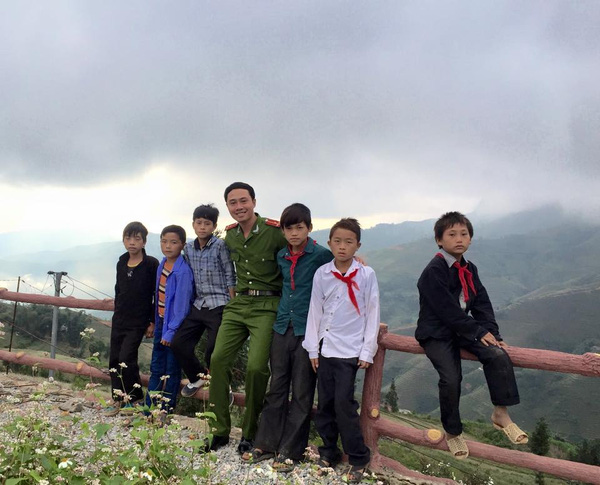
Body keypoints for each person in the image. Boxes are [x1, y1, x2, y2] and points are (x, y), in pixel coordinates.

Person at [415, 211, 527, 460]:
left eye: (464, 234)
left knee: (497, 354)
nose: (459, 239)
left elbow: (482, 303)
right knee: (451, 379)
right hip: (436, 333)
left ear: (470, 238)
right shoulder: (434, 270)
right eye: (452, 234)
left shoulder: (469, 268)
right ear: (439, 240)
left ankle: (500, 413)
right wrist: (477, 330)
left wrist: (493, 334)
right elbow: (445, 309)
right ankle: (453, 433)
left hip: (462, 329)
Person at [242, 203, 333, 471]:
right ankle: (266, 443)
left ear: (309, 228)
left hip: (308, 330)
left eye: (299, 227)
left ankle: (291, 451)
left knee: (302, 391)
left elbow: (341, 269)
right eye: (289, 228)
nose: (294, 233)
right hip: (282, 326)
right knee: (277, 386)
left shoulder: (320, 255)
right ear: (282, 231)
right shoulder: (281, 255)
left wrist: (358, 261)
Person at [206, 182, 287, 453]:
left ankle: (250, 433)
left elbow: (303, 247)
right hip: (239, 303)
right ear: (227, 206)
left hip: (268, 304)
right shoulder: (230, 235)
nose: (239, 207)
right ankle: (219, 430)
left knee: (256, 367)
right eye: (233, 202)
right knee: (218, 360)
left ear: (254, 201)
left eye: (244, 201)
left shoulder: (274, 232)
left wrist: (350, 259)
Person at [303, 218, 379, 484]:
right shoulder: (322, 273)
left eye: (349, 242)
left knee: (344, 405)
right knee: (324, 403)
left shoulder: (366, 275)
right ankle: (328, 451)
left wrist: (367, 351)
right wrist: (313, 348)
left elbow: (372, 313)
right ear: (330, 243)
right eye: (337, 241)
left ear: (358, 245)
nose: (342, 246)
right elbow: (315, 311)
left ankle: (358, 457)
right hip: (326, 348)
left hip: (350, 349)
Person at [171, 204, 236, 398]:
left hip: (219, 304)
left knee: (214, 350)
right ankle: (198, 377)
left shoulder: (220, 246)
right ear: (193, 224)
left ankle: (223, 386)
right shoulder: (189, 248)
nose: (202, 227)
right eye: (199, 223)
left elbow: (230, 274)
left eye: (207, 223)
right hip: (198, 304)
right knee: (179, 343)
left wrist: (233, 305)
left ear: (214, 226)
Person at [104, 222, 159, 417]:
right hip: (120, 318)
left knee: (127, 358)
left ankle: (133, 399)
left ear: (144, 241)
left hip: (138, 321)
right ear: (123, 240)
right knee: (114, 360)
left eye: (137, 238)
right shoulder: (121, 262)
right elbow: (118, 290)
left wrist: (152, 321)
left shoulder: (151, 264)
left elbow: (156, 294)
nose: (132, 242)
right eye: (128, 238)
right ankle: (118, 398)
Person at [144, 225, 194, 416]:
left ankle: (166, 410)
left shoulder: (183, 271)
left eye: (173, 242)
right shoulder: (163, 264)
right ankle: (149, 410)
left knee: (172, 370)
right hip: (161, 324)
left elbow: (182, 307)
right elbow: (158, 297)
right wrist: (156, 323)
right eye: (164, 241)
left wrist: (171, 331)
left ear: (182, 245)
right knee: (156, 367)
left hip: (175, 329)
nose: (168, 246)